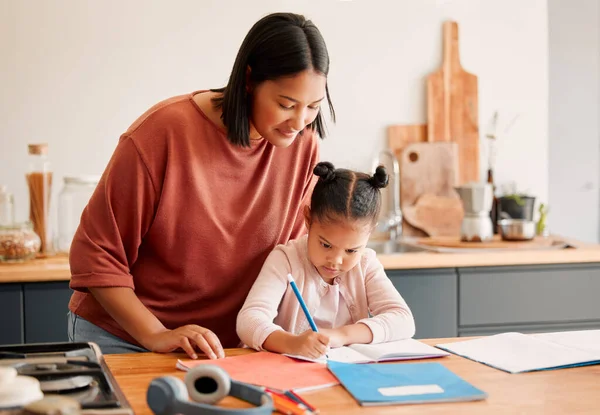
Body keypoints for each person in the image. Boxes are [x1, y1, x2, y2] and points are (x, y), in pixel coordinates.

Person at [67, 12, 335, 359]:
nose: (298, 122)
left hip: (221, 349)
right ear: (250, 80)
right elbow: (96, 254)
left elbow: (295, 255)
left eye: (313, 107)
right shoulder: (162, 133)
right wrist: (156, 335)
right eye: (286, 105)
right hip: (127, 337)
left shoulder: (302, 145)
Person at [236, 162, 416, 359]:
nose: (336, 261)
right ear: (308, 218)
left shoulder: (366, 264)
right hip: (287, 373)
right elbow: (249, 321)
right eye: (326, 245)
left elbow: (403, 319)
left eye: (351, 250)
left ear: (370, 233)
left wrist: (341, 335)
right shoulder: (285, 260)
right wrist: (292, 343)